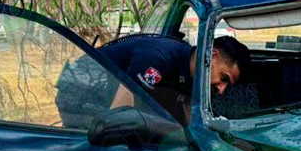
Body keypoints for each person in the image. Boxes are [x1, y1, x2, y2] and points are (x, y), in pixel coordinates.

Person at [105, 35, 250, 122]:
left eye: (228, 86)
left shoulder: (194, 74)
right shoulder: (158, 59)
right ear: (212, 55)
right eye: (224, 78)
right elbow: (116, 118)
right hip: (90, 89)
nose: (221, 90)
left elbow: (188, 123)